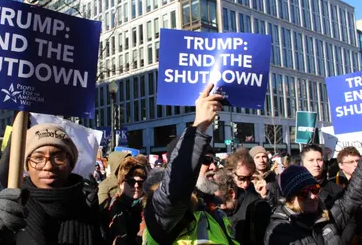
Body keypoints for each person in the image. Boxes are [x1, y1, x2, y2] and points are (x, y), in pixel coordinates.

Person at [144, 83, 237, 244]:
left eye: (213, 160)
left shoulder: (212, 211)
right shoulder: (166, 211)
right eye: (206, 160)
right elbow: (177, 185)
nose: (214, 167)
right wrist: (200, 125)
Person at [0, 123, 104, 245]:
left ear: (70, 163)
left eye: (58, 157)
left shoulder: (89, 207)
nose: (49, 166)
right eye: (38, 158)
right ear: (27, 165)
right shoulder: (10, 208)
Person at [264, 162, 362, 245]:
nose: (313, 196)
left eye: (314, 189)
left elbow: (353, 194)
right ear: (290, 200)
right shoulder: (280, 232)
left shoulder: (325, 216)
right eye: (304, 192)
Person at [207, 169, 271, 245]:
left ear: (231, 193)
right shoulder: (220, 212)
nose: (213, 208)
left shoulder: (259, 209)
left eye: (217, 203)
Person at [106, 156, 147, 244]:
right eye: (131, 182)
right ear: (121, 183)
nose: (136, 186)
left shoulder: (148, 208)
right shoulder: (113, 208)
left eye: (140, 183)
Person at [299, 144, 342, 209]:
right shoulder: (294, 189)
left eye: (319, 160)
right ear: (302, 163)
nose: (316, 164)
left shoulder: (337, 190)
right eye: (311, 160)